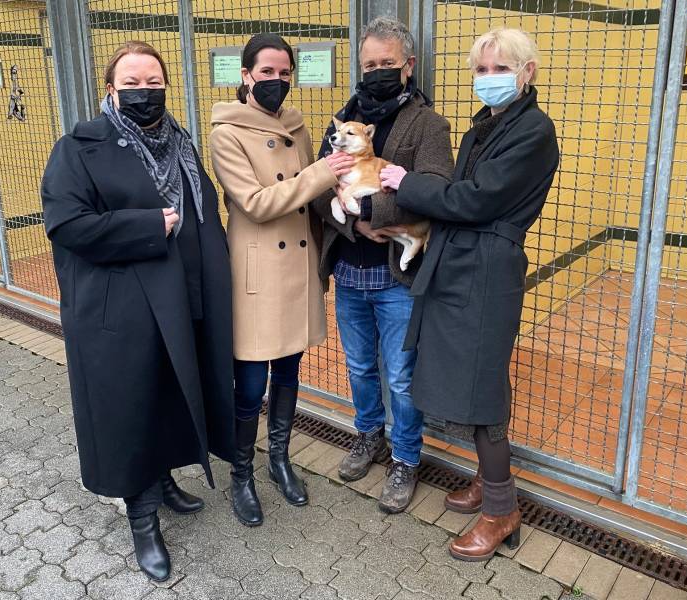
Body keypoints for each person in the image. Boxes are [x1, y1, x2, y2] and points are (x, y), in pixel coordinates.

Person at [40, 41, 236, 581]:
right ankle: (142, 514)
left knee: (172, 392)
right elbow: (69, 226)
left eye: (154, 81)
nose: (144, 91)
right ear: (110, 88)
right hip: (121, 307)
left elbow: (202, 213)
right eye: (132, 82)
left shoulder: (180, 141)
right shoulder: (79, 146)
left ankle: (166, 479)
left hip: (181, 296)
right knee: (131, 405)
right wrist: (149, 226)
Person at [380, 28, 560, 560]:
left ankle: (501, 510)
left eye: (499, 69)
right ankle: (490, 480)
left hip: (486, 267)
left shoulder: (533, 131)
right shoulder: (490, 125)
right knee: (474, 379)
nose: (487, 79)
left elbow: (476, 199)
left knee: (481, 393)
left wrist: (404, 182)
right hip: (465, 263)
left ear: (527, 71)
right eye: (479, 70)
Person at [208, 33, 353, 527]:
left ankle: (279, 460)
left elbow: (310, 201)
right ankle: (241, 476)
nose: (276, 81)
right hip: (255, 273)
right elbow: (256, 203)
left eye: (284, 72)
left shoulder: (296, 125)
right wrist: (322, 174)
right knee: (249, 384)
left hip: (295, 270)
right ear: (245, 74)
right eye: (266, 72)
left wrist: (323, 261)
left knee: (289, 373)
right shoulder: (225, 132)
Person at [311, 17, 454, 514]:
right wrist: (356, 226)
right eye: (369, 64)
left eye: (386, 64)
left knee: (399, 373)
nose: (376, 72)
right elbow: (319, 190)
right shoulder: (342, 120)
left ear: (408, 66)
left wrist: (374, 213)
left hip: (396, 275)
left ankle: (406, 458)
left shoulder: (429, 125)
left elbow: (436, 191)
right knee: (358, 366)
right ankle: (367, 436)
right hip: (350, 268)